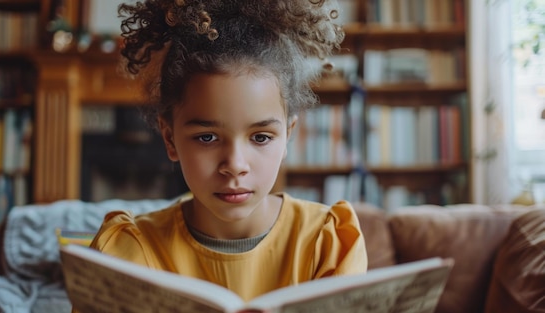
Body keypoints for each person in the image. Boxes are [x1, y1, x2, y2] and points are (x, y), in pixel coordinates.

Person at [88, 0, 368, 303]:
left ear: (287, 136)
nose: (235, 166)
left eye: (260, 137)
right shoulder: (130, 254)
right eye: (207, 137)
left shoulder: (326, 244)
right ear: (169, 139)